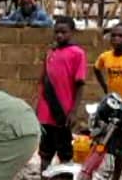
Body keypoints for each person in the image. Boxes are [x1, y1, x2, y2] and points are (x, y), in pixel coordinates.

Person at [37, 18, 88, 172]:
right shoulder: (50, 52)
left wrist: (73, 111)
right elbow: (43, 80)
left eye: (63, 32)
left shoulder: (77, 53)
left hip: (63, 112)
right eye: (56, 32)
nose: (59, 35)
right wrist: (37, 105)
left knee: (64, 151)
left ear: (71, 33)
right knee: (45, 150)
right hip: (46, 111)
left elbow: (79, 84)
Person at [94, 22, 122, 180]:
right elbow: (96, 69)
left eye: (121, 36)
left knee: (120, 151)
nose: (116, 39)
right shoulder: (106, 57)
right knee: (102, 142)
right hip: (112, 106)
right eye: (113, 35)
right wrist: (105, 89)